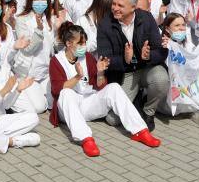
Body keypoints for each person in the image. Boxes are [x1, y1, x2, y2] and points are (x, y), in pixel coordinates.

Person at [50, 23, 158, 157]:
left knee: (114, 88)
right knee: (66, 93)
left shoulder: (88, 57)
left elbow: (99, 86)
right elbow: (56, 90)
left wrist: (100, 72)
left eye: (84, 43)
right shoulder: (57, 61)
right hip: (68, 109)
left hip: (86, 103)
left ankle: (140, 131)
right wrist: (78, 76)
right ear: (68, 43)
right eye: (79, 43)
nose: (83, 47)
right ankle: (86, 139)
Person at [96, 0, 169, 132]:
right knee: (112, 120)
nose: (115, 8)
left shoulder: (146, 18)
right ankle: (136, 100)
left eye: (120, 6)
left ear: (133, 8)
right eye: (114, 4)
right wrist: (125, 59)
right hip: (126, 72)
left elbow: (162, 51)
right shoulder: (105, 24)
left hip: (147, 67)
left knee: (161, 79)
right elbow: (105, 58)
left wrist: (148, 56)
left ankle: (149, 112)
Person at [161, 14, 199, 126]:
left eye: (183, 25)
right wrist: (167, 48)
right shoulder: (164, 44)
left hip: (187, 85)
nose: (181, 28)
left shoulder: (187, 43)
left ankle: (197, 110)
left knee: (197, 94)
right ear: (168, 29)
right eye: (177, 25)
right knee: (180, 102)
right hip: (170, 89)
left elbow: (194, 60)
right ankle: (197, 110)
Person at [10, 0, 60, 114]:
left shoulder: (50, 18)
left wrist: (60, 33)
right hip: (29, 73)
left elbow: (54, 47)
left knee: (55, 104)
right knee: (39, 107)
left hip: (46, 72)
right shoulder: (22, 20)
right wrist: (38, 30)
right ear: (30, 1)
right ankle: (17, 95)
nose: (39, 2)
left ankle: (38, 92)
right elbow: (27, 49)